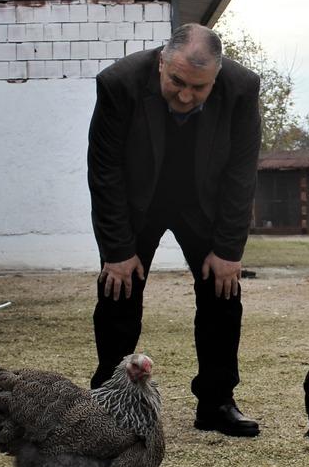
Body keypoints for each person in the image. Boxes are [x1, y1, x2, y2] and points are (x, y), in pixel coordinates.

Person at [87, 23, 262, 437]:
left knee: (223, 296)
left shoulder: (242, 88)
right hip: (135, 203)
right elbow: (105, 170)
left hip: (205, 203)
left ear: (217, 77)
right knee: (118, 294)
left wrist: (229, 250)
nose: (185, 96)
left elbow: (242, 172)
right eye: (177, 82)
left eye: (198, 88)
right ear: (162, 62)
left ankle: (216, 403)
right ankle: (112, 404)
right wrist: (117, 249)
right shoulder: (118, 83)